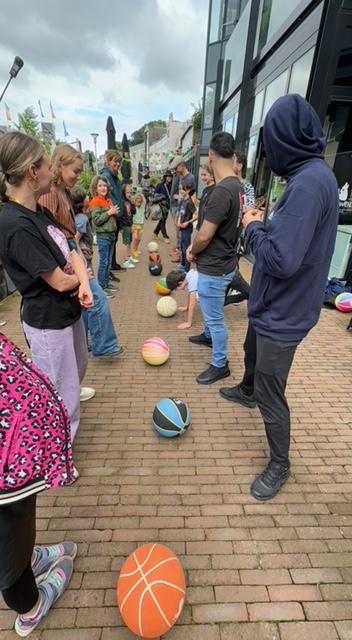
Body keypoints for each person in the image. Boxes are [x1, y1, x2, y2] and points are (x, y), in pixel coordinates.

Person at [220, 94, 339, 501]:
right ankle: (248, 389)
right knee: (252, 345)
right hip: (278, 306)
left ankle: (280, 464)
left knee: (274, 390)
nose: (269, 152)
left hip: (285, 312)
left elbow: (281, 259)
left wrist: (253, 225)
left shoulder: (307, 184)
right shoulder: (314, 175)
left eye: (270, 140)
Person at [0, 132, 94, 442]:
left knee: (75, 372)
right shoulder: (14, 224)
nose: (50, 171)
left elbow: (72, 249)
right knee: (60, 389)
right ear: (32, 172)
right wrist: (83, 279)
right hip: (47, 320)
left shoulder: (39, 211)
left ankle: (62, 425)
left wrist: (82, 277)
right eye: (45, 164)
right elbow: (58, 280)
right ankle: (57, 452)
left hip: (68, 311)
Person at [0, 333, 78, 636]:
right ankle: (30, 607)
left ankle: (29, 557)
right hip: (6, 463)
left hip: (14, 453)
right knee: (5, 543)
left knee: (19, 514)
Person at [40, 144, 121, 361]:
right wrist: (76, 268)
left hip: (71, 250)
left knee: (86, 300)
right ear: (59, 166)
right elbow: (50, 235)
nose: (78, 176)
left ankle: (92, 344)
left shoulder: (63, 191)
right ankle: (103, 345)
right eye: (75, 171)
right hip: (64, 252)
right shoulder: (50, 194)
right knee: (96, 297)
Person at [186, 132, 243, 385]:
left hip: (215, 266)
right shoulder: (238, 187)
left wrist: (192, 251)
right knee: (212, 314)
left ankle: (220, 365)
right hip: (226, 262)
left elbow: (204, 235)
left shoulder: (222, 191)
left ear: (210, 156)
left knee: (216, 320)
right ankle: (208, 336)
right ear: (232, 157)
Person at [71, 185, 123, 359]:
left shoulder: (79, 216)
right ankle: (103, 345)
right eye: (86, 195)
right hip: (81, 265)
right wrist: (81, 261)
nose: (89, 197)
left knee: (86, 304)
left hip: (80, 263)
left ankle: (85, 343)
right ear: (81, 201)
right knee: (96, 298)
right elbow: (74, 240)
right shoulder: (81, 219)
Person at [88, 175, 119, 295]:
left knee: (108, 262)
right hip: (103, 236)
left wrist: (114, 212)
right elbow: (96, 221)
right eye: (100, 185)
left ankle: (106, 283)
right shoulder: (95, 202)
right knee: (103, 262)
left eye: (105, 185)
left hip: (111, 235)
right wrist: (109, 212)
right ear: (95, 188)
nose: (103, 188)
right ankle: (101, 287)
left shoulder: (108, 200)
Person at [100, 150, 125, 273]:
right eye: (115, 161)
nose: (118, 164)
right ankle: (108, 270)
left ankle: (113, 264)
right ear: (108, 161)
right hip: (111, 213)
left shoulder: (114, 176)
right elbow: (103, 194)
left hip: (117, 213)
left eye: (119, 162)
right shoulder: (107, 176)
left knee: (114, 241)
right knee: (110, 242)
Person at [176, 180, 198, 273]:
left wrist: (187, 222)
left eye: (182, 189)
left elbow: (197, 215)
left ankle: (186, 269)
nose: (180, 191)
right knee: (182, 246)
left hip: (187, 229)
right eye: (180, 189)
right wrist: (178, 222)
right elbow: (181, 214)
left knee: (186, 248)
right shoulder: (183, 201)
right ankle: (183, 264)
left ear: (188, 191)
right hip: (182, 228)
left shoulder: (189, 202)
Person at [152, 169, 173, 243]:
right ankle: (165, 236)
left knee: (162, 220)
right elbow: (155, 194)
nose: (169, 178)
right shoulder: (160, 185)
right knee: (162, 221)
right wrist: (161, 200)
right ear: (165, 177)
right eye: (168, 176)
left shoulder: (171, 187)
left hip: (167, 206)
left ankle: (155, 233)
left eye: (170, 177)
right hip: (161, 205)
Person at [120, 183, 137, 268]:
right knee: (125, 242)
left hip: (130, 224)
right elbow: (120, 215)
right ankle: (125, 260)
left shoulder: (128, 202)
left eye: (130, 192)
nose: (129, 194)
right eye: (127, 192)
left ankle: (129, 256)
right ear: (123, 193)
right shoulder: (122, 202)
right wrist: (121, 227)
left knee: (129, 241)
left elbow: (133, 212)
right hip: (125, 225)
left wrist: (132, 203)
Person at [131, 192, 145, 258]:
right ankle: (134, 249)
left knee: (139, 239)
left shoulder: (142, 208)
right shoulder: (133, 208)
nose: (138, 204)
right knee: (135, 238)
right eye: (137, 202)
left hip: (140, 224)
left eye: (140, 202)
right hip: (135, 225)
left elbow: (144, 201)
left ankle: (136, 248)